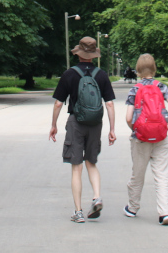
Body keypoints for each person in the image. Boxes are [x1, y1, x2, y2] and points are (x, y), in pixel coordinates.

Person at [49, 36, 117, 223]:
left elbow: (58, 104)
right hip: (95, 124)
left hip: (75, 123)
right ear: (94, 55)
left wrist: (53, 125)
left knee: (76, 168)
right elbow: (109, 104)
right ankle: (96, 197)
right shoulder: (101, 75)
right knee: (91, 163)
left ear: (79, 53)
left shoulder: (69, 74)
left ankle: (78, 212)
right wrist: (112, 129)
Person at [124, 53, 168, 226]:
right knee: (161, 175)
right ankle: (164, 213)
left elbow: (128, 117)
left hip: (141, 138)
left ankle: (133, 208)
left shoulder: (135, 89)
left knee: (138, 174)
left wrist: (136, 130)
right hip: (160, 136)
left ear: (138, 70)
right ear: (154, 68)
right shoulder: (161, 87)